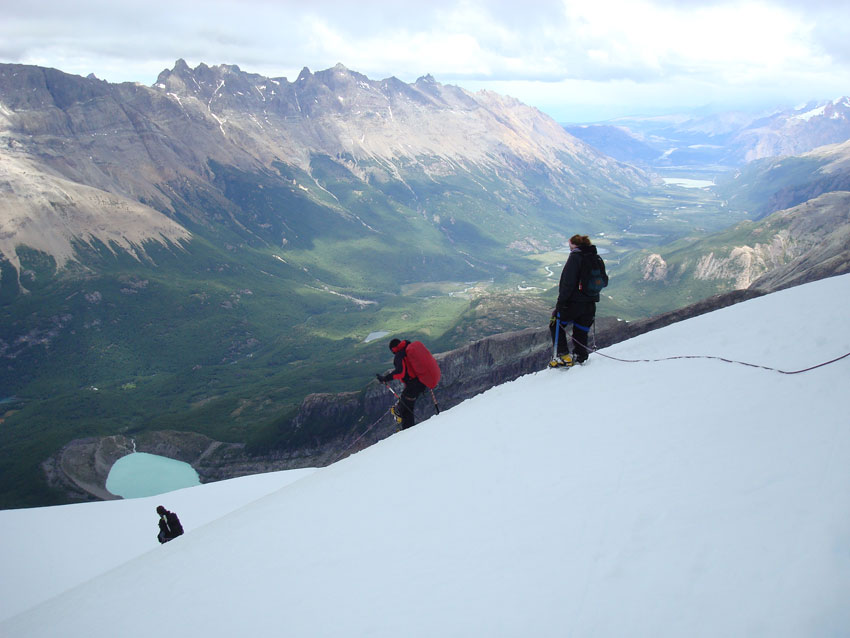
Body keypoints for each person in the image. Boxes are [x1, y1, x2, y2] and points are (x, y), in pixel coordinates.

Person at [549, 234, 605, 367]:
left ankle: (563, 356)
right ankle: (580, 356)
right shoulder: (596, 257)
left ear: (574, 245)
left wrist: (560, 303)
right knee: (581, 329)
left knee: (555, 323)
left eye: (569, 245)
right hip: (590, 303)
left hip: (574, 303)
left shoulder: (575, 257)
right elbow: (604, 280)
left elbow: (567, 283)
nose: (569, 248)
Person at [376, 338, 428, 430]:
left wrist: (385, 378)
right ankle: (409, 429)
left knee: (405, 409)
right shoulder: (408, 349)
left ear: (393, 349)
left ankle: (408, 432)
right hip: (422, 381)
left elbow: (400, 372)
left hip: (413, 385)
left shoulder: (399, 355)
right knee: (407, 406)